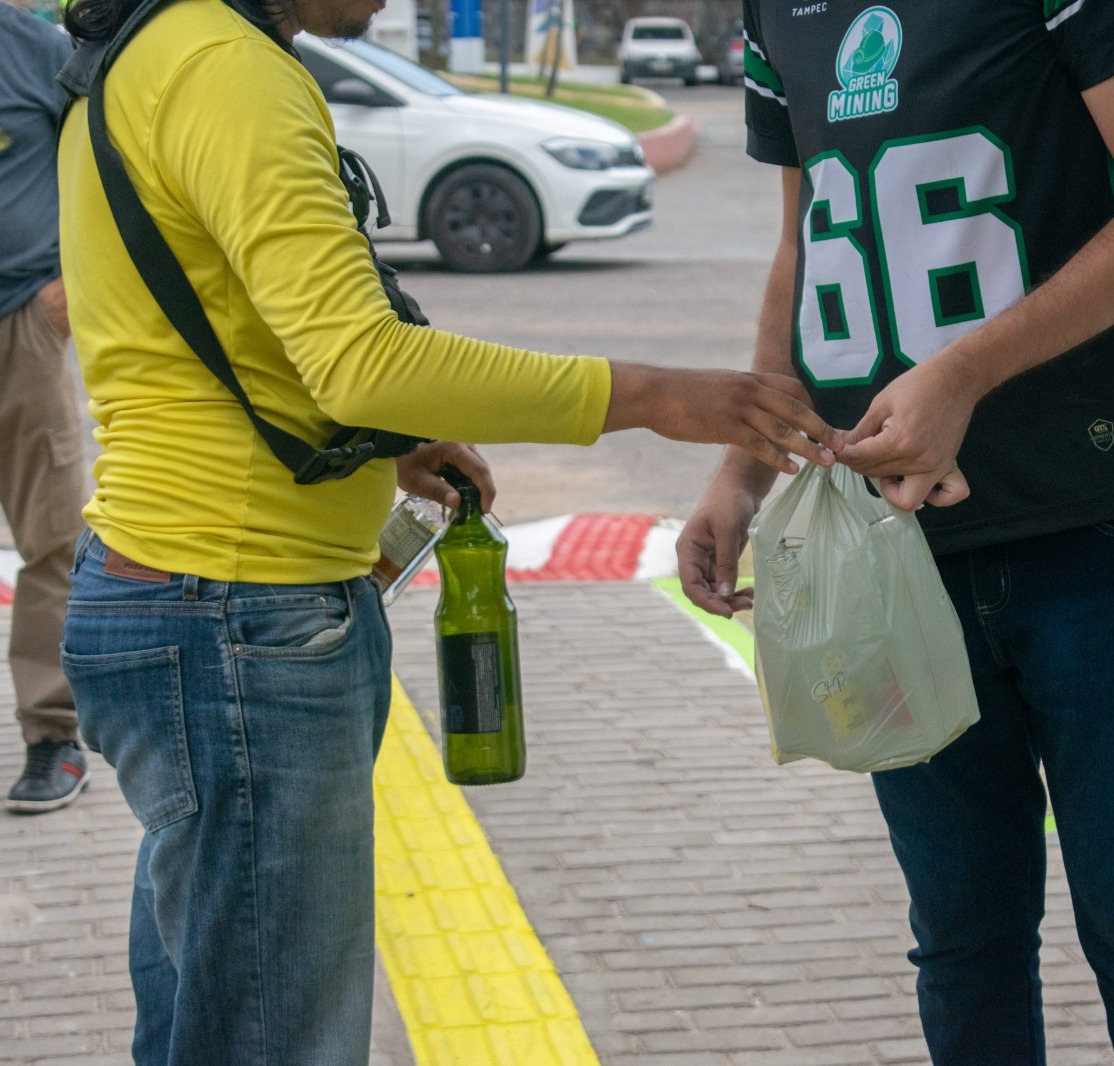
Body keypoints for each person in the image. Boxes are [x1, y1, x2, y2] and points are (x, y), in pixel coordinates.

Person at [52, 0, 844, 1060]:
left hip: (192, 595)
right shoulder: (220, 62)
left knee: (210, 1013)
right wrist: (651, 393)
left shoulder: (153, 52)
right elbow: (358, 359)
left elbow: (225, 328)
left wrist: (389, 447)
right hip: (240, 618)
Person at [677, 1, 1114, 1062]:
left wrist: (968, 371)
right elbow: (805, 239)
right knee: (962, 942)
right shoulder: (774, 10)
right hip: (894, 550)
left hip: (1097, 524)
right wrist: (741, 470)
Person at [0, 0, 93, 814]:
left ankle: (51, 736)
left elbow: (102, 159)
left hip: (19, 327)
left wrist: (68, 284)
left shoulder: (35, 50)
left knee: (52, 536)